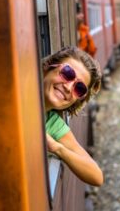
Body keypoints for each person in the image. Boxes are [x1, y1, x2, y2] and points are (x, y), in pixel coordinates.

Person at [42, 46, 103, 186]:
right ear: (48, 67)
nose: (68, 88)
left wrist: (57, 148)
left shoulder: (53, 124)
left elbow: (97, 176)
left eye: (79, 88)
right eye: (67, 73)